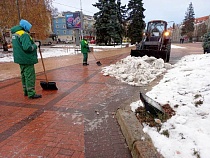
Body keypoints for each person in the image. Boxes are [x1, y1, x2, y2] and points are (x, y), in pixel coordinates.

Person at [11, 19, 42, 99]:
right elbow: (27, 47)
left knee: (24, 75)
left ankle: (26, 91)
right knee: (29, 76)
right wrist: (35, 46)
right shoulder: (24, 34)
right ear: (26, 27)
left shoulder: (15, 34)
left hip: (20, 59)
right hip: (27, 59)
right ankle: (31, 93)